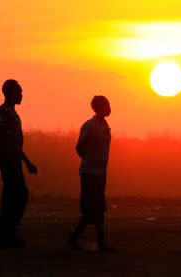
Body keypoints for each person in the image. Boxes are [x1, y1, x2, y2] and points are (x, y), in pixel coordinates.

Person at [68, 95, 116, 252]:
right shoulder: (89, 126)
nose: (109, 108)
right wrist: (90, 160)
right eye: (106, 105)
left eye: (109, 105)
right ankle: (76, 237)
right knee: (91, 208)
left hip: (101, 173)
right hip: (89, 173)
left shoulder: (104, 126)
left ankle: (99, 242)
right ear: (97, 108)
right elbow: (79, 147)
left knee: (99, 207)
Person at [0, 79, 38, 248]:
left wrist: (27, 163)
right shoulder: (4, 113)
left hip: (14, 161)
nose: (21, 95)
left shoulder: (12, 113)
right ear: (9, 93)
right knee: (18, 196)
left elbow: (16, 144)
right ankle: (7, 233)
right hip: (9, 162)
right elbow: (3, 141)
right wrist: (10, 162)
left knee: (13, 197)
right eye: (18, 92)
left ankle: (6, 233)